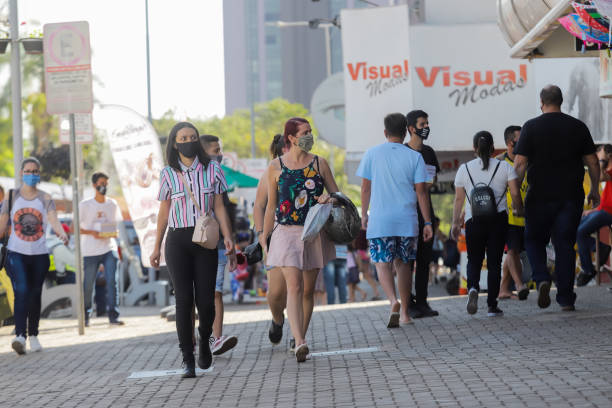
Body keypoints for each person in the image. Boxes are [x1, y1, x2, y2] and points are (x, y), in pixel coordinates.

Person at [150, 122, 236, 378]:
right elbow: (164, 211)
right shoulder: (167, 173)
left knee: (206, 301)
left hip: (205, 239)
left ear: (197, 140)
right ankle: (188, 357)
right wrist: (156, 245)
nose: (188, 140)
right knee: (184, 301)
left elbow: (219, 206)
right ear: (175, 143)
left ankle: (205, 338)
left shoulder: (213, 169)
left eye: (192, 136)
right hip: (177, 239)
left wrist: (228, 236)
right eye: (183, 137)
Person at [514, 85, 599, 311]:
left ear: (541, 102)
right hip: (570, 197)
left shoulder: (531, 127)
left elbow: (520, 164)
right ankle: (565, 299)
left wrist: (516, 198)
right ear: (561, 101)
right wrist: (594, 190)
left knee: (533, 240)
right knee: (564, 245)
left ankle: (542, 277)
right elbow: (592, 162)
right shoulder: (577, 126)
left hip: (539, 195)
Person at [260, 117, 338, 363]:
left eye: (310, 132)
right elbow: (271, 205)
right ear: (291, 138)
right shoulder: (275, 166)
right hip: (285, 232)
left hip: (314, 231)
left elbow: (337, 194)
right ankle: (300, 341)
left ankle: (299, 336)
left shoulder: (320, 163)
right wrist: (264, 236)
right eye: (305, 132)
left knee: (307, 290)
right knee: (293, 286)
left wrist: (329, 198)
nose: (309, 136)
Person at [357, 113, 433, 328]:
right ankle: (406, 314)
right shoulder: (415, 157)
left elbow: (365, 187)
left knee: (382, 263)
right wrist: (427, 222)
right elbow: (421, 193)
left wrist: (364, 215)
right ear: (406, 131)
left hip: (380, 220)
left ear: (385, 132)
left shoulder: (372, 154)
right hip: (407, 220)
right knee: (404, 265)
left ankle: (392, 301)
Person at [0, 157, 69, 354]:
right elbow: (3, 222)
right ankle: (20, 336)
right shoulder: (12, 196)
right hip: (16, 252)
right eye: (28, 171)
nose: (31, 174)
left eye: (35, 171)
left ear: (39, 174)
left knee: (34, 294)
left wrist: (61, 232)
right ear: (22, 173)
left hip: (39, 255)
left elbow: (53, 219)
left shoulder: (45, 198)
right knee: (21, 290)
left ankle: (34, 335)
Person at [452, 131, 523, 317]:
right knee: (494, 263)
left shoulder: (464, 169)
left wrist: (454, 223)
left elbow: (459, 200)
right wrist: (518, 209)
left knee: (474, 260)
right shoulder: (505, 167)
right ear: (493, 148)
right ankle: (492, 304)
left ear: (475, 148)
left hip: (473, 221)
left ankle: (473, 287)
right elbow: (515, 193)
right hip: (498, 221)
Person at [200, 134, 238, 356]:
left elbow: (223, 209)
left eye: (220, 150)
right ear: (204, 153)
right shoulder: (188, 176)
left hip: (218, 243)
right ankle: (199, 334)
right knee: (197, 294)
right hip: (195, 240)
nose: (220, 155)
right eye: (215, 151)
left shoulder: (218, 175)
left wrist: (228, 239)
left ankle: (216, 338)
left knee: (216, 292)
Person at [253, 134, 289, 344]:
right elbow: (259, 205)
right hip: (276, 235)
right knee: (276, 293)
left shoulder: (311, 165)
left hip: (304, 234)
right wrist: (260, 234)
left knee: (299, 289)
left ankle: (298, 336)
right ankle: (278, 319)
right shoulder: (272, 170)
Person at [404, 110, 440, 318]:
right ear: (411, 128)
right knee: (407, 260)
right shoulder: (402, 151)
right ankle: (408, 303)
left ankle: (423, 302)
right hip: (407, 212)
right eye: (422, 123)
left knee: (424, 259)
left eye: (427, 123)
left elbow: (428, 183)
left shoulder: (429, 152)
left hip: (426, 212)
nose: (426, 127)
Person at [79, 172, 124, 326]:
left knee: (112, 281)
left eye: (106, 183)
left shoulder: (112, 204)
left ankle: (113, 316)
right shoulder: (85, 205)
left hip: (109, 248)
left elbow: (115, 228)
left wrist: (109, 233)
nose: (104, 186)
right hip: (90, 251)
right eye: (101, 183)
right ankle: (86, 315)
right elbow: (74, 228)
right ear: (94, 185)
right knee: (88, 284)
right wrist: (92, 232)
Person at [496, 126, 530, 300]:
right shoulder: (498, 164)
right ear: (511, 143)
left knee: (514, 252)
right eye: (521, 139)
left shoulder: (527, 161)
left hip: (525, 217)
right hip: (506, 216)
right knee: (512, 251)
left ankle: (503, 289)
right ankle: (519, 284)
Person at [576, 144, 612, 286]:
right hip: (604, 210)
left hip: (609, 212)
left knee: (580, 231)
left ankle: (588, 270)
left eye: (600, 153)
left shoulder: (609, 169)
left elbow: (603, 177)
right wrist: (591, 211)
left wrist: (602, 161)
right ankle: (600, 247)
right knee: (575, 225)